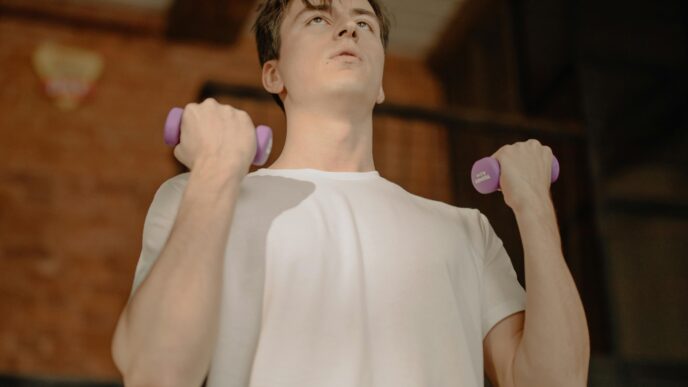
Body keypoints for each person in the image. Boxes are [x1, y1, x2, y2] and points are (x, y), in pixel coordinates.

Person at [111, 0, 590, 386]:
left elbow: (556, 382)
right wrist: (215, 170)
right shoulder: (199, 198)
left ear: (381, 82)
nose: (349, 29)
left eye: (363, 21)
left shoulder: (464, 232)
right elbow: (157, 372)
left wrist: (533, 205)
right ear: (273, 74)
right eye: (319, 17)